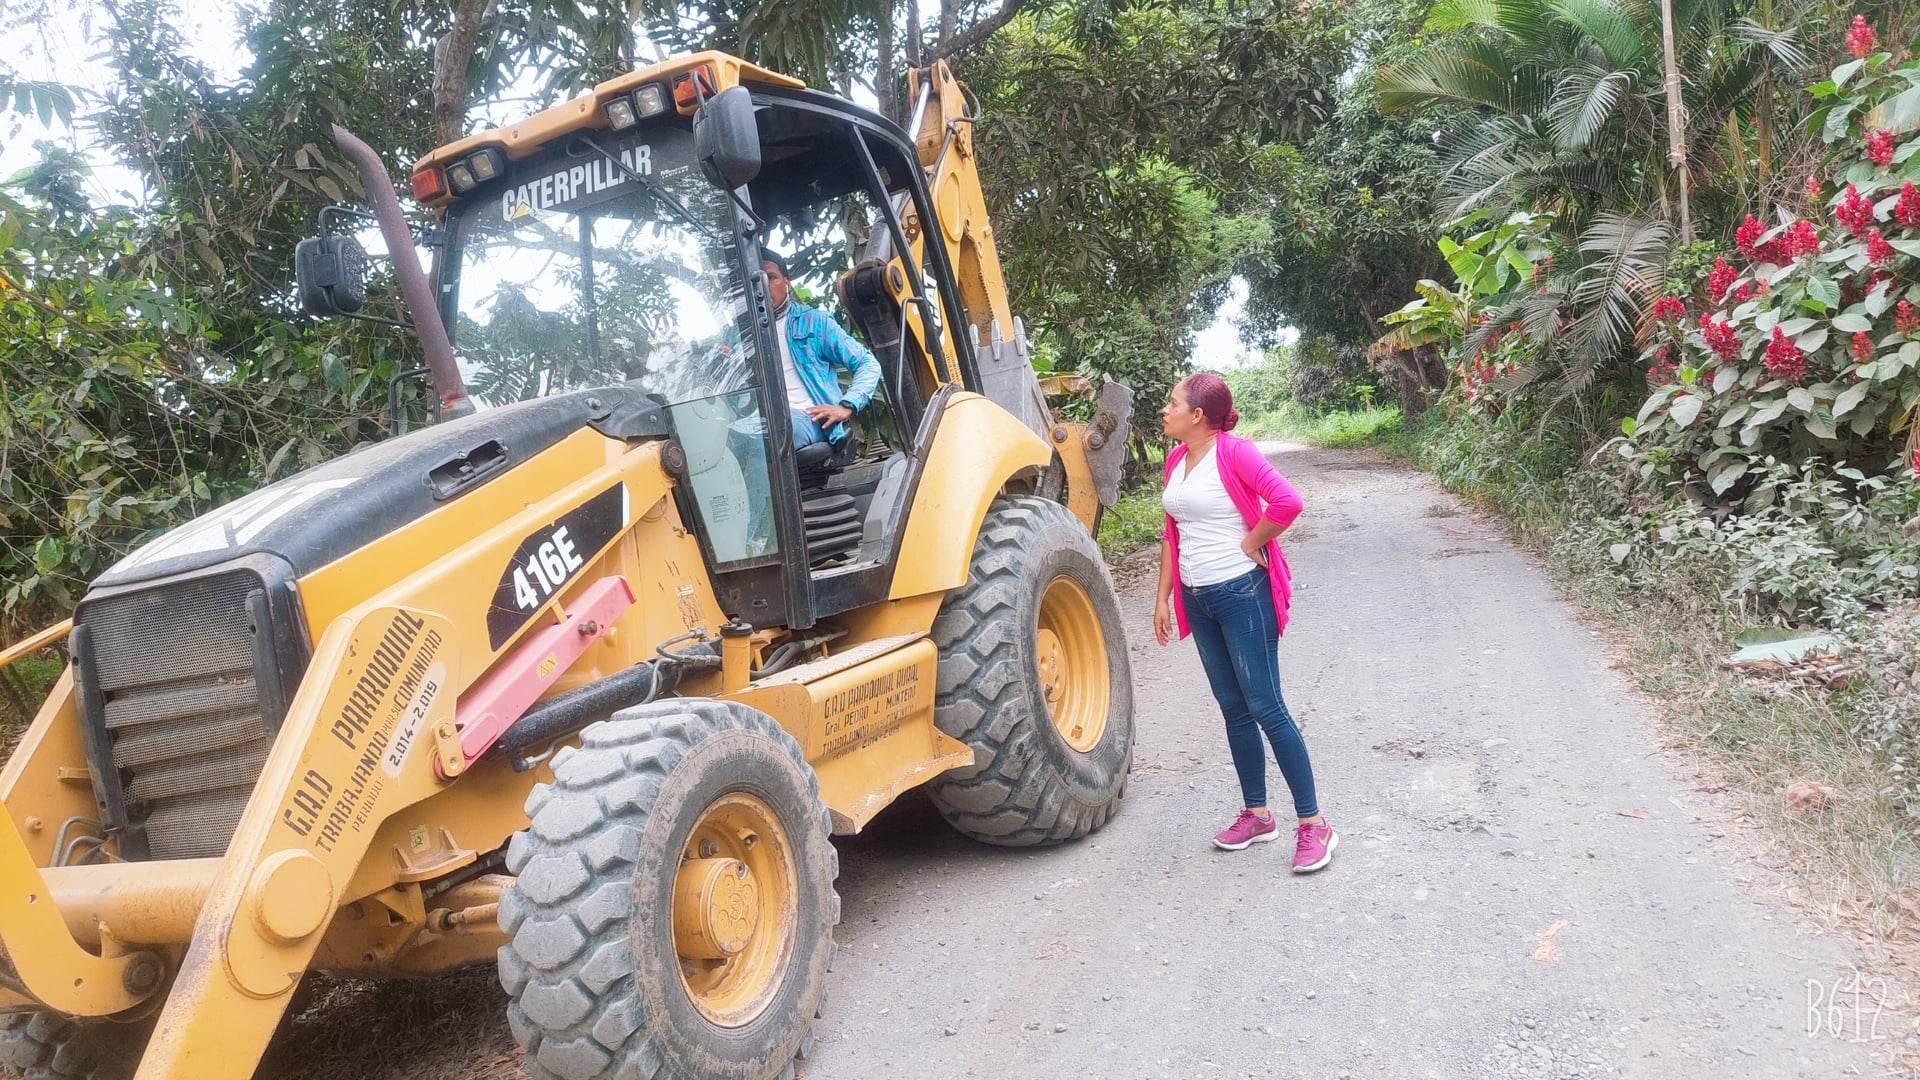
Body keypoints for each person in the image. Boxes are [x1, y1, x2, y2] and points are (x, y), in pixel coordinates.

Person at [1152, 372, 1335, 871]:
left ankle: (1314, 823)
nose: (1165, 410)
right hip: (1199, 599)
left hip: (1241, 595)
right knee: (1233, 708)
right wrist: (1163, 597)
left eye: (1173, 403)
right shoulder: (1175, 460)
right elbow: (1172, 533)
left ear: (1198, 416)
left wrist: (1252, 543)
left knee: (1266, 707)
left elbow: (1288, 502)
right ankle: (1258, 815)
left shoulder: (1235, 453)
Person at [759, 249, 881, 448]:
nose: (762, 287)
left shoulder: (814, 322)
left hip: (806, 419)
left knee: (773, 431)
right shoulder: (743, 336)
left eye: (771, 278)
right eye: (756, 281)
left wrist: (847, 406)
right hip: (760, 422)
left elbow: (867, 363)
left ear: (787, 283)